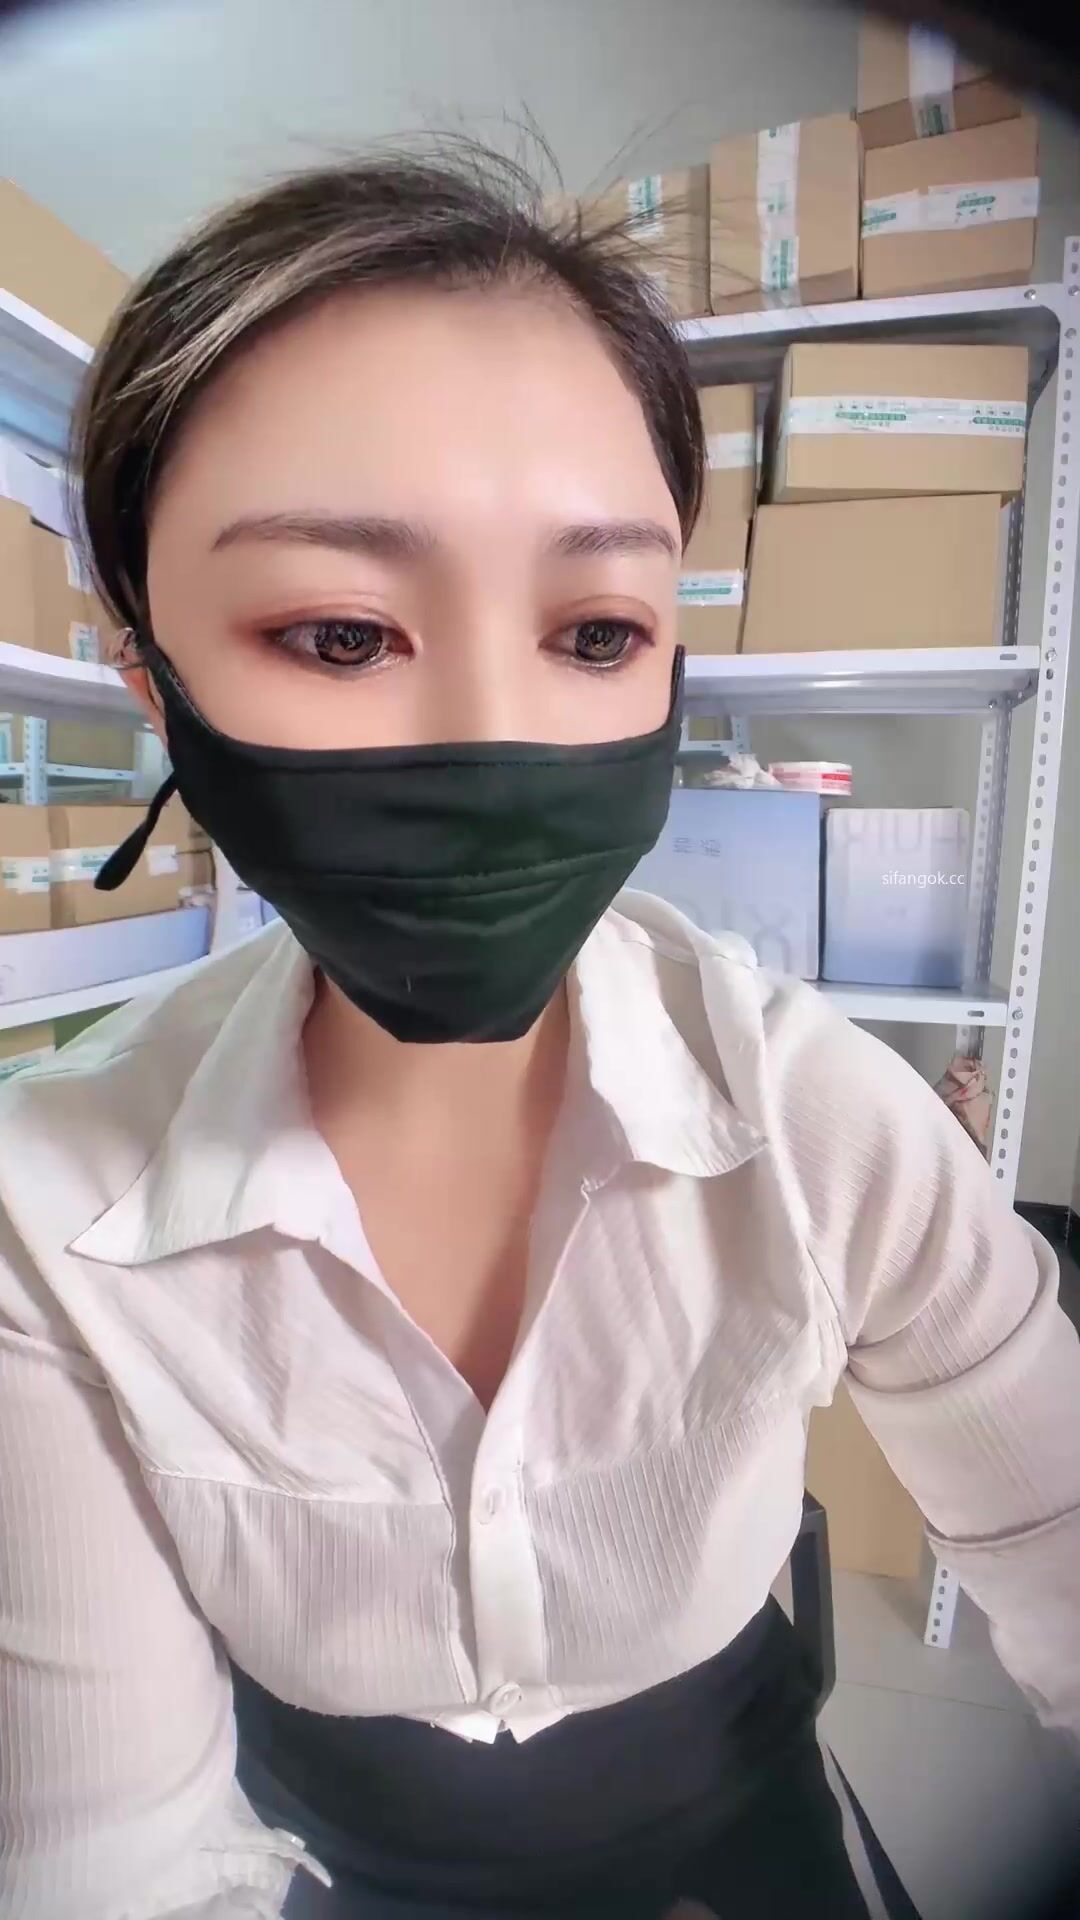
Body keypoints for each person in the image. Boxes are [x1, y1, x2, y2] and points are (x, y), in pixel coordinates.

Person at [0, 150, 1078, 1920]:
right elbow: (102, 1857)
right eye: (340, 632)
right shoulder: (44, 1216)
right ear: (149, 674)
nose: (496, 740)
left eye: (594, 631)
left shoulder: (817, 1114)